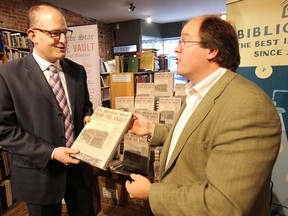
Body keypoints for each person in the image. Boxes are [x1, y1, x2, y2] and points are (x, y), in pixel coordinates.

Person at [125, 15, 281, 216]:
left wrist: (152, 193)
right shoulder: (197, 92)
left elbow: (223, 205)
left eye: (185, 41)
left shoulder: (248, 106)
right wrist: (151, 129)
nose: (176, 49)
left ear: (212, 50)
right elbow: (195, 140)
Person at [0, 4, 95, 216]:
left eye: (65, 32)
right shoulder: (7, 75)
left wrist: (88, 116)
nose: (63, 40)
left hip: (80, 168)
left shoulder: (77, 71)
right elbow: (4, 130)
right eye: (55, 33)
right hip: (39, 173)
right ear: (33, 35)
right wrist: (51, 152)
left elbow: (85, 106)